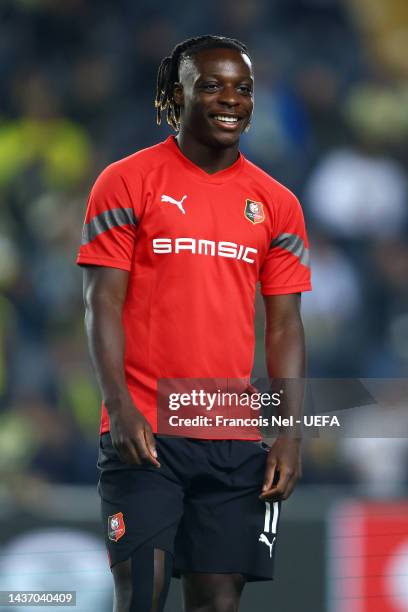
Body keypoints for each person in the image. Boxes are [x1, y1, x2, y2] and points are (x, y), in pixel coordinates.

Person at [77, 35, 311, 612]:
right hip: (146, 434)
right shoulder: (125, 182)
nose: (230, 99)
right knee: (142, 597)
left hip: (233, 438)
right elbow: (100, 303)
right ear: (174, 95)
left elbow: (284, 327)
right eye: (211, 85)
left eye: (243, 88)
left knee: (218, 603)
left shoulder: (277, 203)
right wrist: (120, 405)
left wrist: (288, 431)